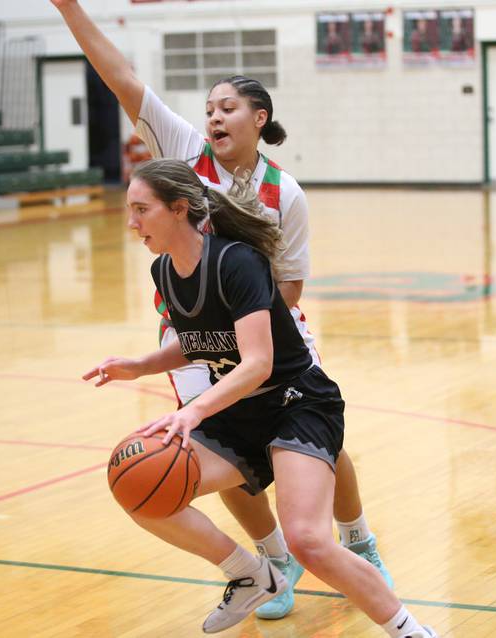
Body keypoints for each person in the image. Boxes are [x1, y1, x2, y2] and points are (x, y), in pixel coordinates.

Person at [52, 0, 392, 620]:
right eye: (208, 108)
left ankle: (358, 538)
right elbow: (122, 79)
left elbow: (288, 289)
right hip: (192, 334)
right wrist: (69, 10)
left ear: (258, 118)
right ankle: (271, 562)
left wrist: (244, 336)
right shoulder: (182, 151)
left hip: (269, 328)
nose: (213, 116)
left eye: (227, 107)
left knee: (318, 439)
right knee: (218, 451)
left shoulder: (283, 193)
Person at [84, 159, 436, 637]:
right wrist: (141, 365)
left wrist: (194, 410)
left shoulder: (236, 262)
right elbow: (202, 339)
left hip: (298, 402)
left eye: (141, 209)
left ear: (178, 208)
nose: (132, 222)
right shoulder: (164, 271)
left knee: (308, 539)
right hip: (240, 413)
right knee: (138, 492)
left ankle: (411, 630)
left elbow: (257, 361)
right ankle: (249, 573)